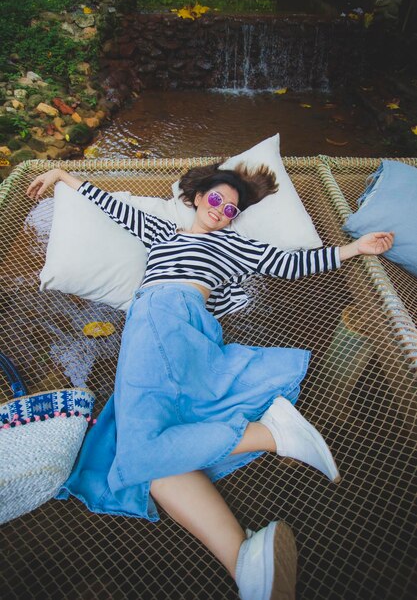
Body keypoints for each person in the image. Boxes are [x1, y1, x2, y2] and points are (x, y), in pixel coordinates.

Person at [27, 165, 393, 600]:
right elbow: (113, 207)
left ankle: (271, 434)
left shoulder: (231, 245)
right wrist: (62, 175)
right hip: (152, 324)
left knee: (138, 449)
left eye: (231, 208)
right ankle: (246, 566)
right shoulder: (164, 233)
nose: (222, 211)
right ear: (198, 198)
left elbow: (288, 263)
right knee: (158, 468)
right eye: (216, 200)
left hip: (171, 316)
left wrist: (354, 249)